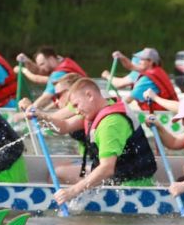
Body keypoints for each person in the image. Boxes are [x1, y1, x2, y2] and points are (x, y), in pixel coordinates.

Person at [54, 78, 158, 206]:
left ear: (89, 95)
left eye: (76, 105)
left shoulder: (110, 123)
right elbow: (63, 126)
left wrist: (72, 191)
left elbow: (107, 168)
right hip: (117, 182)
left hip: (131, 191)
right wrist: (39, 116)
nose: (76, 111)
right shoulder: (101, 106)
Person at [107, 48, 178, 112]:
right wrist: (121, 57)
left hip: (162, 115)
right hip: (167, 110)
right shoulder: (157, 71)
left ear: (150, 62)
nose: (139, 62)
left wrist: (107, 102)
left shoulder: (146, 80)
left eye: (142, 59)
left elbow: (126, 100)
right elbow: (131, 66)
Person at [17, 47, 87, 110]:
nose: (41, 69)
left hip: (79, 108)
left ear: (51, 59)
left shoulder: (59, 73)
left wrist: (29, 112)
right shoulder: (65, 61)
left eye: (42, 64)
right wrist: (27, 61)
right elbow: (37, 71)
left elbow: (45, 97)